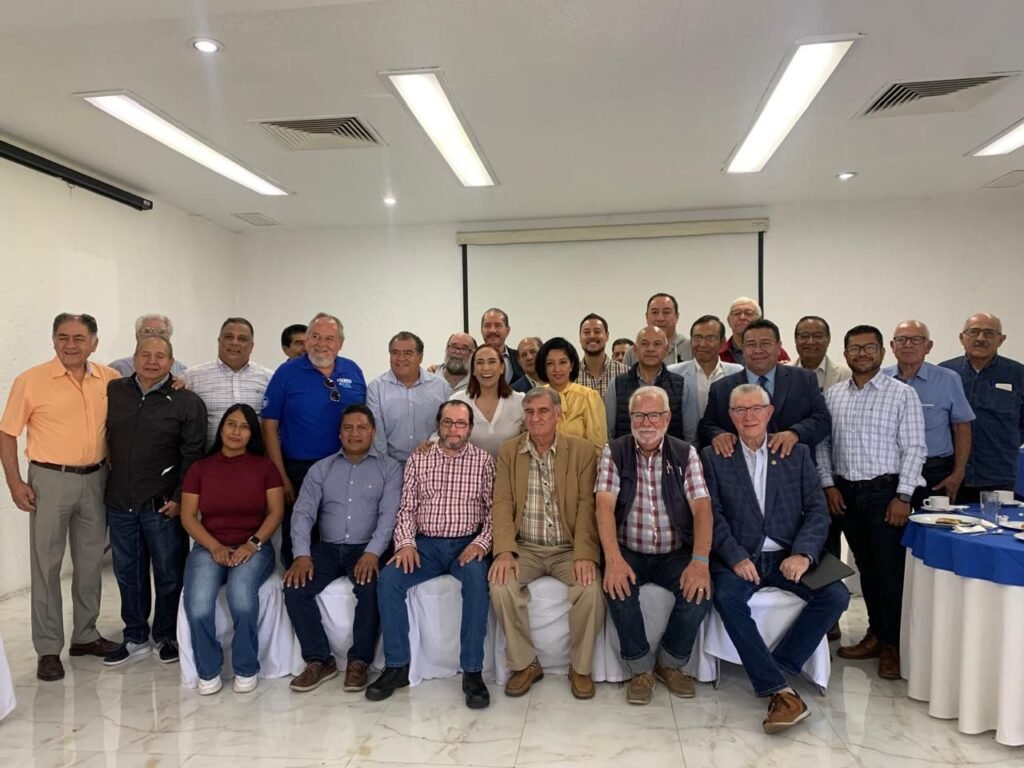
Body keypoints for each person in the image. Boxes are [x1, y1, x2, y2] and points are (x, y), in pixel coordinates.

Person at [702, 384, 849, 734]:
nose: (749, 416)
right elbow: (711, 515)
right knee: (726, 597)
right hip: (740, 557)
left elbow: (817, 511)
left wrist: (803, 554)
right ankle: (780, 690)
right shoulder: (713, 455)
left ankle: (778, 670)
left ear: (769, 413)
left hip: (787, 554)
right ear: (731, 416)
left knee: (837, 596)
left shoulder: (795, 453)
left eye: (756, 408)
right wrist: (735, 557)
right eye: (740, 410)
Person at [1, 311, 124, 682]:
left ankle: (85, 635)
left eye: (79, 338)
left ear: (94, 343)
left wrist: (179, 381)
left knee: (90, 563)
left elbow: (142, 394)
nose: (70, 345)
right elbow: (7, 434)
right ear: (54, 340)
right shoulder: (31, 381)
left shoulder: (109, 379)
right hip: (49, 481)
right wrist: (15, 483)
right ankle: (48, 649)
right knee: (47, 566)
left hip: (96, 479)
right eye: (63, 337)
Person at [366, 401, 495, 709]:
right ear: (438, 425)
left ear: (470, 429)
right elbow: (406, 508)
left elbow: (495, 511)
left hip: (466, 544)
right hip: (425, 546)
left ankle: (472, 672)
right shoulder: (419, 459)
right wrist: (406, 543)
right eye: (447, 422)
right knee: (389, 579)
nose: (453, 429)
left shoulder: (484, 461)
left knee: (477, 581)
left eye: (460, 424)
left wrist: (482, 543)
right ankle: (396, 666)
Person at [817, 325, 926, 680]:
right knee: (866, 568)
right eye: (855, 348)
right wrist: (829, 485)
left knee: (889, 572)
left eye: (869, 348)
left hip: (886, 494)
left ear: (882, 352)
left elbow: (915, 448)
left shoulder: (902, 394)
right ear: (845, 353)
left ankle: (892, 645)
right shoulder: (834, 395)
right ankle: (875, 634)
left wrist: (903, 495)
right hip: (846, 494)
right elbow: (823, 446)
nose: (862, 354)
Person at [595, 386, 713, 705]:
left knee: (700, 591)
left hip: (674, 551)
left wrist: (699, 561)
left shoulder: (685, 453)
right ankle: (640, 669)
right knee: (617, 589)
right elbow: (604, 506)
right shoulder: (615, 451)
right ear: (630, 418)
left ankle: (670, 662)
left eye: (654, 415)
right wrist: (613, 559)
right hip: (629, 549)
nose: (646, 422)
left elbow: (702, 509)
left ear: (667, 418)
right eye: (639, 415)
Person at [489, 388, 604, 699]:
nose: (535, 418)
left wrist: (584, 553)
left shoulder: (581, 451)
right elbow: (502, 503)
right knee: (500, 585)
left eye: (542, 411)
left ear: (558, 415)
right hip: (525, 547)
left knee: (591, 589)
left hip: (567, 548)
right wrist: (504, 551)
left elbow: (587, 505)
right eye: (529, 412)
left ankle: (580, 667)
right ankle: (525, 664)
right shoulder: (509, 451)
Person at [104, 336, 207, 666]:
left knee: (168, 573)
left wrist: (180, 499)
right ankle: (135, 635)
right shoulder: (114, 391)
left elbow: (193, 456)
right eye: (145, 355)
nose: (152, 361)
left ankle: (166, 634)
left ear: (171, 362)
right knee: (127, 573)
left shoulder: (186, 401)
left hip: (163, 505)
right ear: (134, 358)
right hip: (120, 502)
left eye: (160, 356)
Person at [283, 405, 401, 693]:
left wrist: (373, 552)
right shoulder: (321, 468)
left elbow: (389, 516)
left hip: (366, 547)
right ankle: (319, 660)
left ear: (373, 432)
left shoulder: (390, 468)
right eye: (348, 427)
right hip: (327, 548)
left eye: (362, 427)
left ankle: (359, 661)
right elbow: (303, 514)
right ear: (339, 433)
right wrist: (301, 554)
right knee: (294, 587)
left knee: (371, 587)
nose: (354, 433)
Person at [180, 404, 285, 695]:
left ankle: (246, 666)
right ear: (221, 428)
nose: (236, 431)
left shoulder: (265, 468)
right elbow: (188, 516)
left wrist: (253, 544)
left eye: (244, 427)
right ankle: (208, 669)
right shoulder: (200, 468)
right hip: (209, 546)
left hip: (254, 546)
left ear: (252, 434)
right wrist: (214, 547)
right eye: (231, 424)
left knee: (241, 598)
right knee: (198, 605)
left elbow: (276, 512)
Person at [261, 312, 366, 566]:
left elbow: (365, 421)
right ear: (306, 340)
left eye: (329, 338)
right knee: (299, 538)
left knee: (340, 536)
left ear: (340, 343)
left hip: (345, 468)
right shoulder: (286, 373)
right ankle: (297, 583)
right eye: (315, 337)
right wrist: (280, 475)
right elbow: (269, 425)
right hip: (299, 470)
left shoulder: (352, 370)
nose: (321, 344)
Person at [700, 319, 830, 462]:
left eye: (765, 343)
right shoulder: (722, 388)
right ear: (743, 349)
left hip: (794, 465)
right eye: (751, 344)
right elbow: (707, 426)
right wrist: (718, 435)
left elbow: (823, 419)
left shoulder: (804, 379)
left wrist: (795, 433)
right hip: (740, 468)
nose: (758, 350)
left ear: (779, 347)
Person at [885, 320, 974, 506]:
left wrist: (958, 474)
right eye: (901, 339)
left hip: (935, 472)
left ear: (928, 346)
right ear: (892, 346)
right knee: (891, 524)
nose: (908, 344)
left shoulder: (948, 379)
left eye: (916, 339)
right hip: (890, 472)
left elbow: (962, 428)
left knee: (935, 522)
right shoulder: (880, 379)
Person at [940, 313, 1024, 503]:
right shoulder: (944, 373)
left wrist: (1005, 443)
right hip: (949, 474)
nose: (980, 338)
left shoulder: (1019, 374)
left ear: (1001, 339)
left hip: (997, 474)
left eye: (989, 333)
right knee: (948, 521)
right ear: (962, 337)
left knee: (997, 521)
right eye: (974, 332)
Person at [184, 317, 274, 448]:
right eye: (228, 337)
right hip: (207, 458)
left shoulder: (270, 379)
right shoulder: (191, 377)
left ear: (251, 346)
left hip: (256, 458)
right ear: (219, 341)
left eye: (242, 339)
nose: (234, 343)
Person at [367, 332, 452, 464]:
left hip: (433, 463)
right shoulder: (376, 388)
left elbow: (448, 425)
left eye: (408, 353)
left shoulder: (441, 387)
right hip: (391, 465)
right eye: (395, 353)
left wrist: (433, 442)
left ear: (420, 357)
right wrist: (386, 467)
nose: (401, 358)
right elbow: (377, 436)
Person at [668, 315, 742, 446]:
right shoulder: (673, 373)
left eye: (710, 338)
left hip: (726, 447)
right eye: (697, 338)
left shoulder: (737, 373)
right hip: (684, 447)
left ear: (722, 342)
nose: (702, 344)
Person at [605, 326, 686, 441]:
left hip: (671, 452)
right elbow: (609, 433)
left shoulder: (681, 385)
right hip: (626, 451)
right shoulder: (616, 385)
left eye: (657, 344)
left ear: (667, 349)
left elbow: (689, 435)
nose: (651, 349)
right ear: (635, 349)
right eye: (644, 344)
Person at [534, 337, 607, 452]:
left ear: (571, 365)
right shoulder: (535, 397)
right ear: (544, 367)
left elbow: (598, 446)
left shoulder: (588, 397)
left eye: (563, 362)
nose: (557, 369)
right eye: (550, 363)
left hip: (580, 462)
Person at [450, 344, 525, 457]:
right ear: (473, 370)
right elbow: (444, 435)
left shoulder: (520, 401)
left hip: (510, 467)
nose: (486, 368)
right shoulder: (457, 400)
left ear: (501, 368)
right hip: (468, 467)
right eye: (480, 362)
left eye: (492, 362)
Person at [622, 293, 692, 366]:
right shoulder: (633, 352)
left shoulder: (690, 348)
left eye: (666, 312)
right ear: (647, 317)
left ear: (676, 317)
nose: (660, 318)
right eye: (655, 312)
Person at [109, 313, 188, 377]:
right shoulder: (118, 368)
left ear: (169, 337)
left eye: (161, 332)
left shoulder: (181, 370)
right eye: (147, 331)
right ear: (137, 336)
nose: (154, 335)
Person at [719, 298, 790, 366]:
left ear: (759, 320)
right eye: (737, 313)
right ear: (729, 321)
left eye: (748, 313)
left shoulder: (774, 351)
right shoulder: (719, 352)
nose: (742, 317)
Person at [793, 316, 851, 392]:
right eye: (805, 336)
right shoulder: (780, 373)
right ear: (795, 339)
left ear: (828, 339)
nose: (811, 342)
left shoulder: (845, 375)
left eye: (817, 336)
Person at [578, 313, 628, 398]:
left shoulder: (625, 372)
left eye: (597, 331)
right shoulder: (571, 374)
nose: (592, 336)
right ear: (580, 337)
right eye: (586, 332)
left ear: (607, 336)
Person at [480, 308, 529, 389]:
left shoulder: (520, 357)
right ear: (481, 330)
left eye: (498, 325)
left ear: (507, 330)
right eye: (487, 326)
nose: (492, 330)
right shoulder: (472, 360)